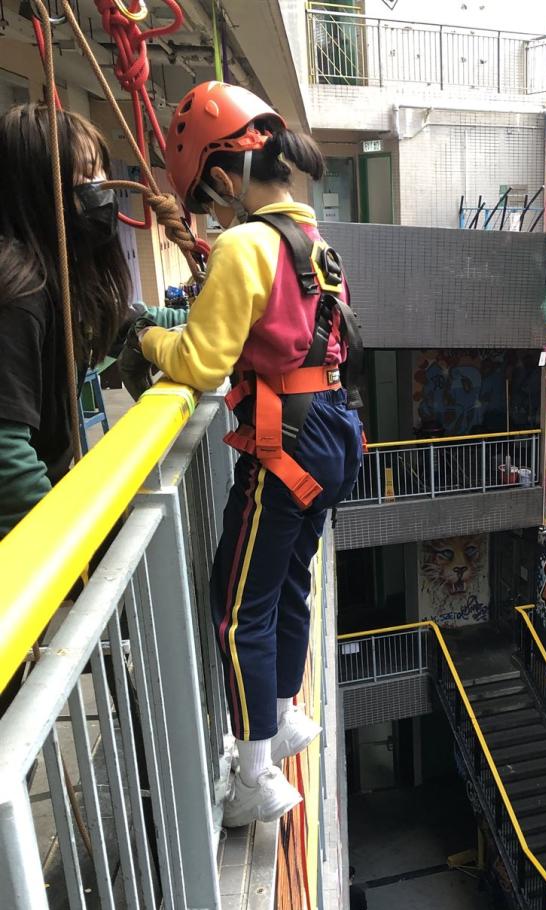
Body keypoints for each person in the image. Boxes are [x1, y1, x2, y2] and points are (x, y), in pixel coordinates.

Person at [130, 82, 364, 827]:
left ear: (227, 181)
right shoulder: (313, 242)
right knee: (286, 581)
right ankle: (283, 714)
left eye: (208, 197)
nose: (212, 212)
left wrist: (145, 336)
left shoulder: (243, 245)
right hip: (331, 431)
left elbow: (200, 361)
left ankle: (256, 774)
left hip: (285, 443)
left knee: (236, 608)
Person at [0, 101, 189, 540]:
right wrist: (73, 546)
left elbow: (127, 322)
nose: (102, 188)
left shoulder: (62, 277)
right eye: (86, 176)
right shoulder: (17, 291)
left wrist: (206, 320)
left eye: (102, 171)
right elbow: (6, 456)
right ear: (35, 188)